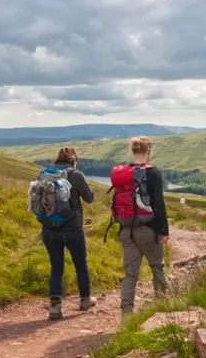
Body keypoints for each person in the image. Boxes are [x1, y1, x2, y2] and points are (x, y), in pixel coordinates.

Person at [109, 136, 170, 315]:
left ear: (133, 151)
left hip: (126, 231)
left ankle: (126, 316)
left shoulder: (124, 173)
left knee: (130, 275)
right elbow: (159, 204)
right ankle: (163, 309)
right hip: (148, 230)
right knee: (157, 267)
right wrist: (164, 231)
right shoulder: (153, 173)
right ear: (149, 151)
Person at [41, 147, 96, 320]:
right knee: (80, 264)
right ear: (74, 161)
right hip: (72, 228)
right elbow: (89, 198)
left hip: (49, 228)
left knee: (56, 267)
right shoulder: (76, 174)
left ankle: (55, 307)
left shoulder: (45, 174)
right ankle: (85, 300)